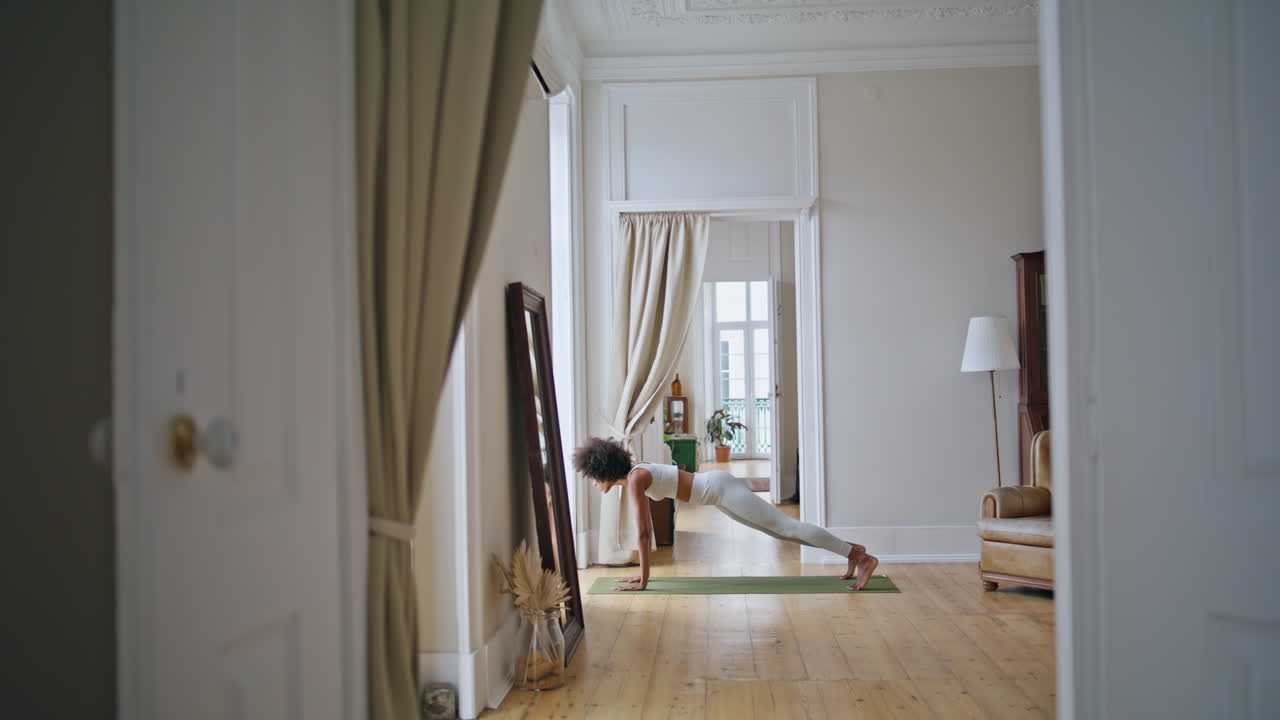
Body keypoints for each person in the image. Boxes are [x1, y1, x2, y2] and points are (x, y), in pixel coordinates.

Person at [573, 437, 879, 591]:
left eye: (594, 477)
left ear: (603, 471)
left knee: (787, 527)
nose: (595, 483)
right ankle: (851, 552)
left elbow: (643, 531)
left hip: (719, 490)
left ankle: (860, 557)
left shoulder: (637, 479)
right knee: (776, 531)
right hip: (716, 494)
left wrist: (644, 578)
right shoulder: (636, 476)